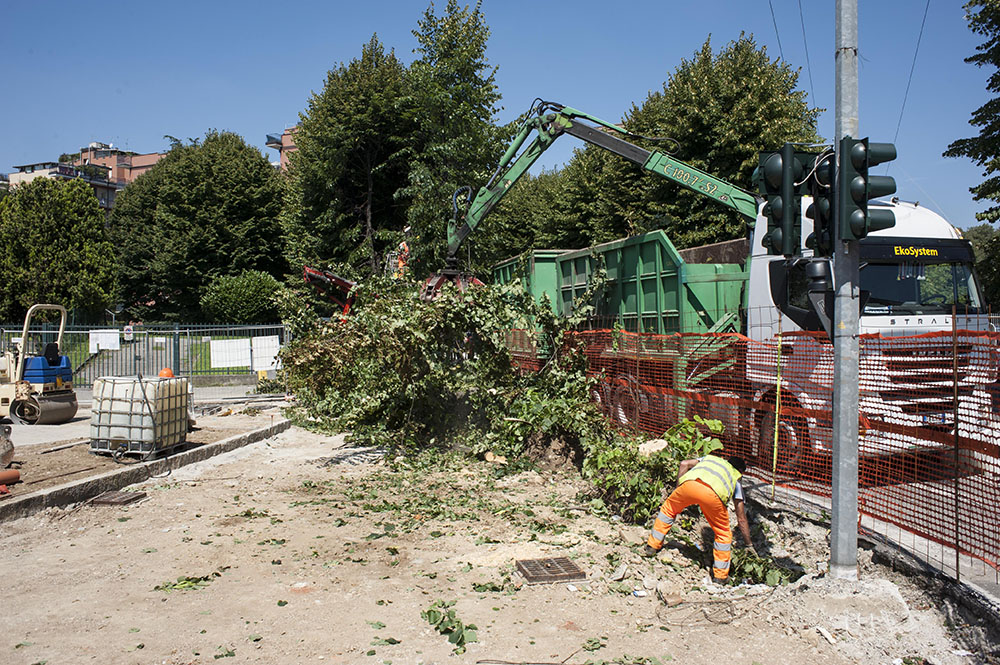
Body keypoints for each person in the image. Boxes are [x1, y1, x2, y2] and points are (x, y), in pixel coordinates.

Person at [642, 454, 755, 583]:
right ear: (740, 471)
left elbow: (684, 463)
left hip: (690, 484)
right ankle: (720, 576)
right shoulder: (735, 476)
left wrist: (678, 490)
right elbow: (741, 518)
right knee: (723, 533)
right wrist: (748, 544)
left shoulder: (712, 458)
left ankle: (652, 546)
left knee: (669, 509)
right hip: (713, 496)